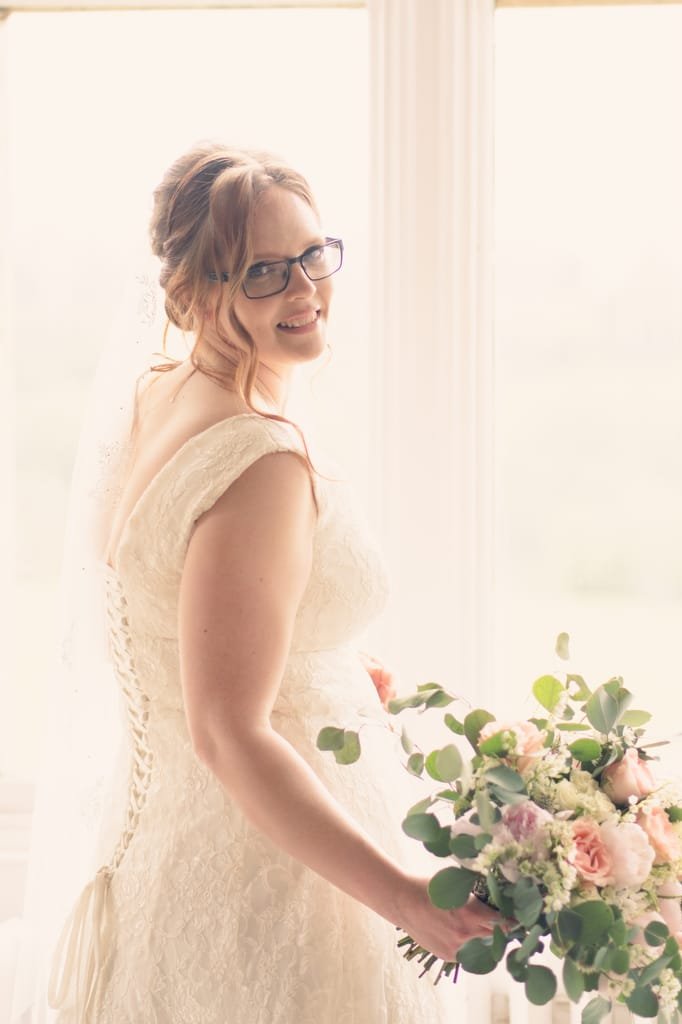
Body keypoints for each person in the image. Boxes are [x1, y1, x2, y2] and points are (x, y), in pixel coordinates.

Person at [45, 143, 501, 1023]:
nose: (305, 290)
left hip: (169, 864)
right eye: (264, 271)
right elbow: (228, 731)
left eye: (313, 254)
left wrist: (320, 663)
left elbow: (165, 613)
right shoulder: (259, 458)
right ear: (192, 295)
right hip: (273, 895)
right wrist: (407, 899)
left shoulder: (155, 397)